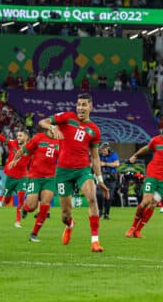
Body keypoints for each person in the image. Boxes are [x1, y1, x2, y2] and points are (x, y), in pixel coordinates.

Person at [39, 93, 110, 252]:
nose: (80, 108)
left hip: (83, 169)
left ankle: (95, 241)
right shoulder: (67, 117)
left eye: (84, 105)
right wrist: (50, 126)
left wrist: (100, 180)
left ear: (90, 107)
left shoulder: (94, 131)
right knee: (65, 214)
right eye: (78, 104)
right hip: (63, 171)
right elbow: (42, 121)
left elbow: (96, 157)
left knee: (92, 198)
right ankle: (70, 225)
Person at [126, 118, 163, 238]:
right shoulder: (156, 140)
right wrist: (135, 155)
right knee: (146, 201)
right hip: (152, 176)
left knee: (153, 204)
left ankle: (138, 230)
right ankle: (132, 227)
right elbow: (146, 149)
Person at [8, 126, 60, 242]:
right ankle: (25, 209)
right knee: (31, 206)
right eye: (56, 128)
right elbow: (24, 150)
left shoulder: (60, 141)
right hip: (35, 177)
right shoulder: (39, 137)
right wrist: (14, 160)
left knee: (45, 205)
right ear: (50, 128)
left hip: (50, 178)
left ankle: (34, 234)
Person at [98, 142, 120, 219]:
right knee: (99, 195)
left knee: (109, 196)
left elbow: (116, 164)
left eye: (104, 151)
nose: (103, 152)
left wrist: (104, 164)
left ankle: (106, 214)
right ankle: (100, 211)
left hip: (111, 178)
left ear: (109, 150)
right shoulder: (99, 155)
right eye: (102, 150)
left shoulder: (114, 155)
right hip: (101, 177)